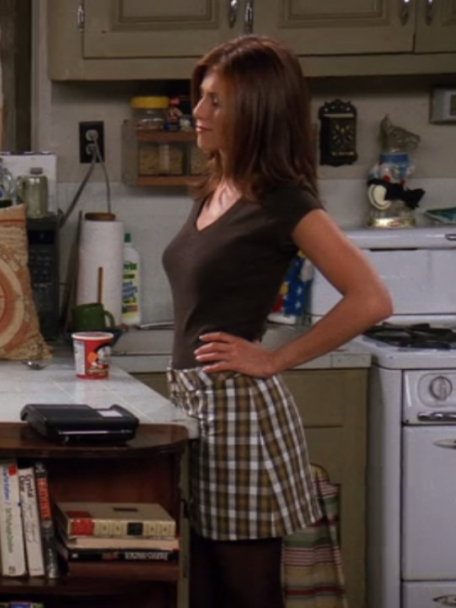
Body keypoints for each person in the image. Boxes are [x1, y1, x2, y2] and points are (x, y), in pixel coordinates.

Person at [162, 34, 392, 608]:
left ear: (256, 111)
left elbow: (371, 299)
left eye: (216, 100)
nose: (198, 110)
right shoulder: (217, 187)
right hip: (200, 408)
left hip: (241, 414)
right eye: (201, 96)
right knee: (208, 589)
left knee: (247, 593)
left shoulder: (283, 199)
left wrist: (275, 358)